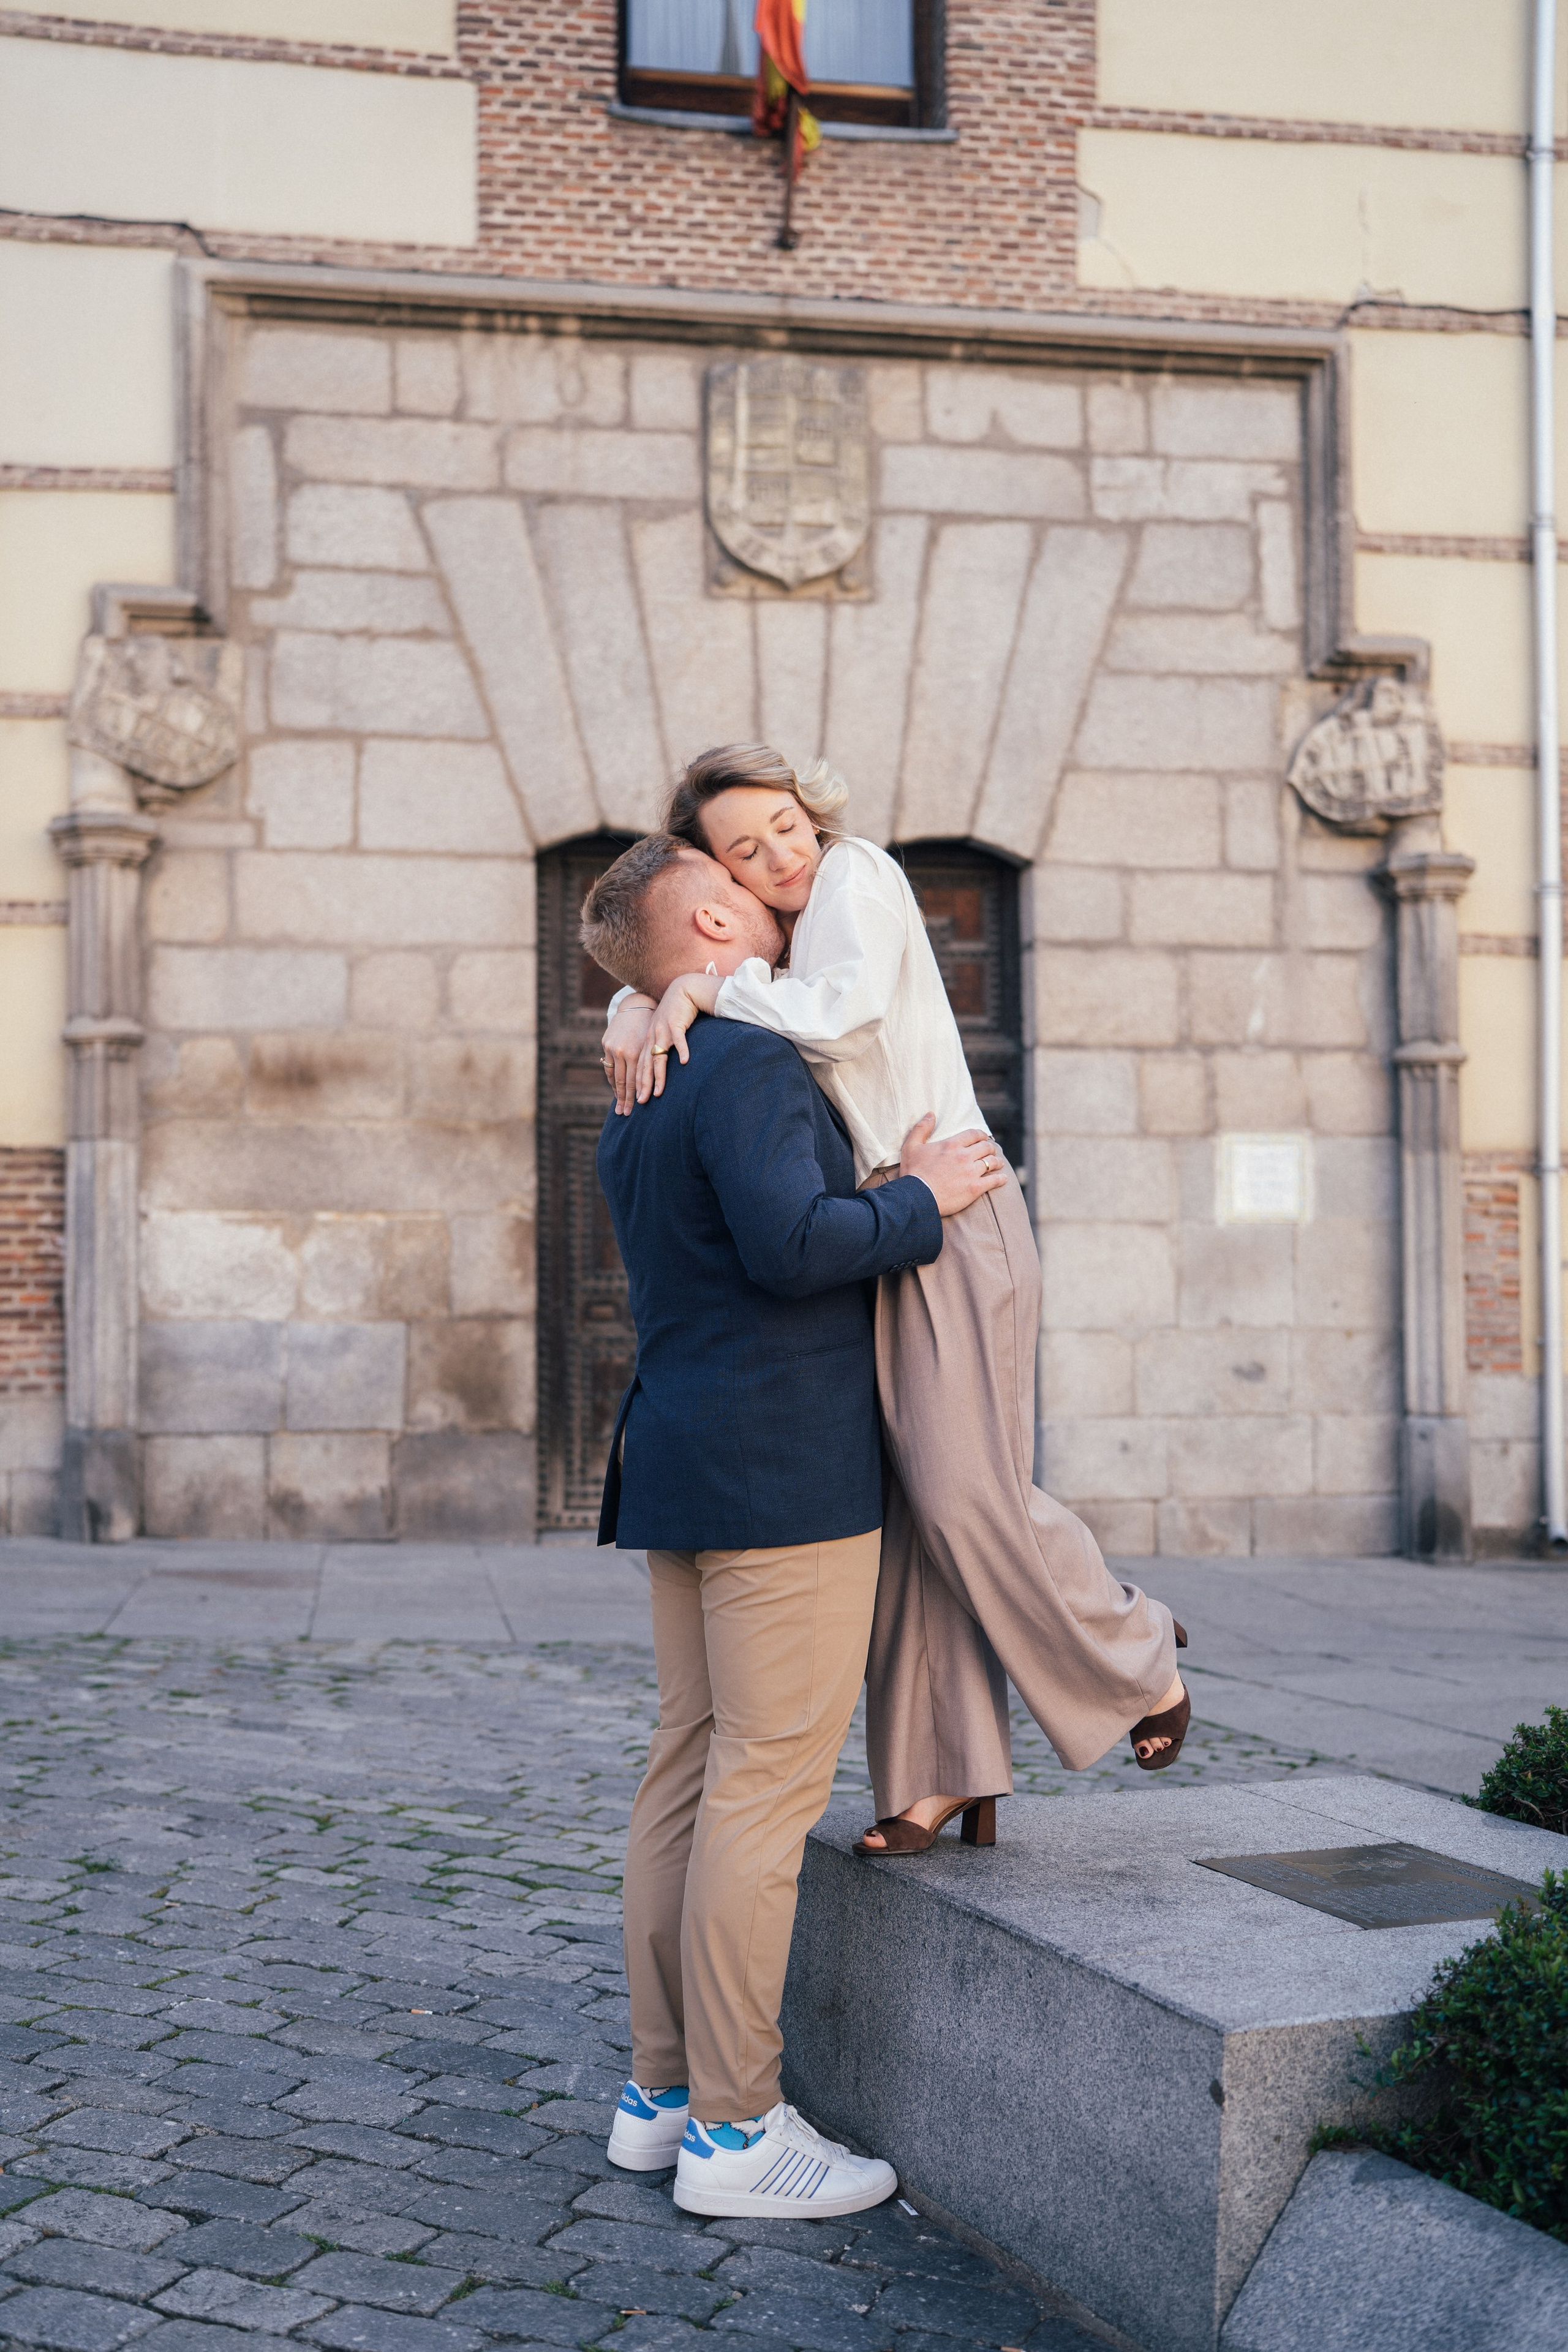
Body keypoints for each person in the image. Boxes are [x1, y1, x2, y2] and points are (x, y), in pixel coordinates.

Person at [601, 746, 1190, 1860]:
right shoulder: (773, 941)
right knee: (915, 1507)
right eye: (745, 850)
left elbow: (843, 1014)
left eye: (785, 824)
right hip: (881, 1215)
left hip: (953, 1207)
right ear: (719, 877)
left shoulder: (856, 874)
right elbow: (695, 967)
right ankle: (940, 1775)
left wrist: (694, 987)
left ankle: (1140, 1653)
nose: (780, 855)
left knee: (965, 1489)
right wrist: (639, 998)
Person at [581, 830, 1001, 2217]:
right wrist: (920, 1200)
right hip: (781, 1476)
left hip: (679, 1460)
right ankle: (736, 2133)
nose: (779, 897)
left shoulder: (639, 1079)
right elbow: (793, 1245)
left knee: (689, 1774)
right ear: (713, 917)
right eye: (748, 886)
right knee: (761, 1793)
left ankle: (659, 2097)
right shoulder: (751, 1059)